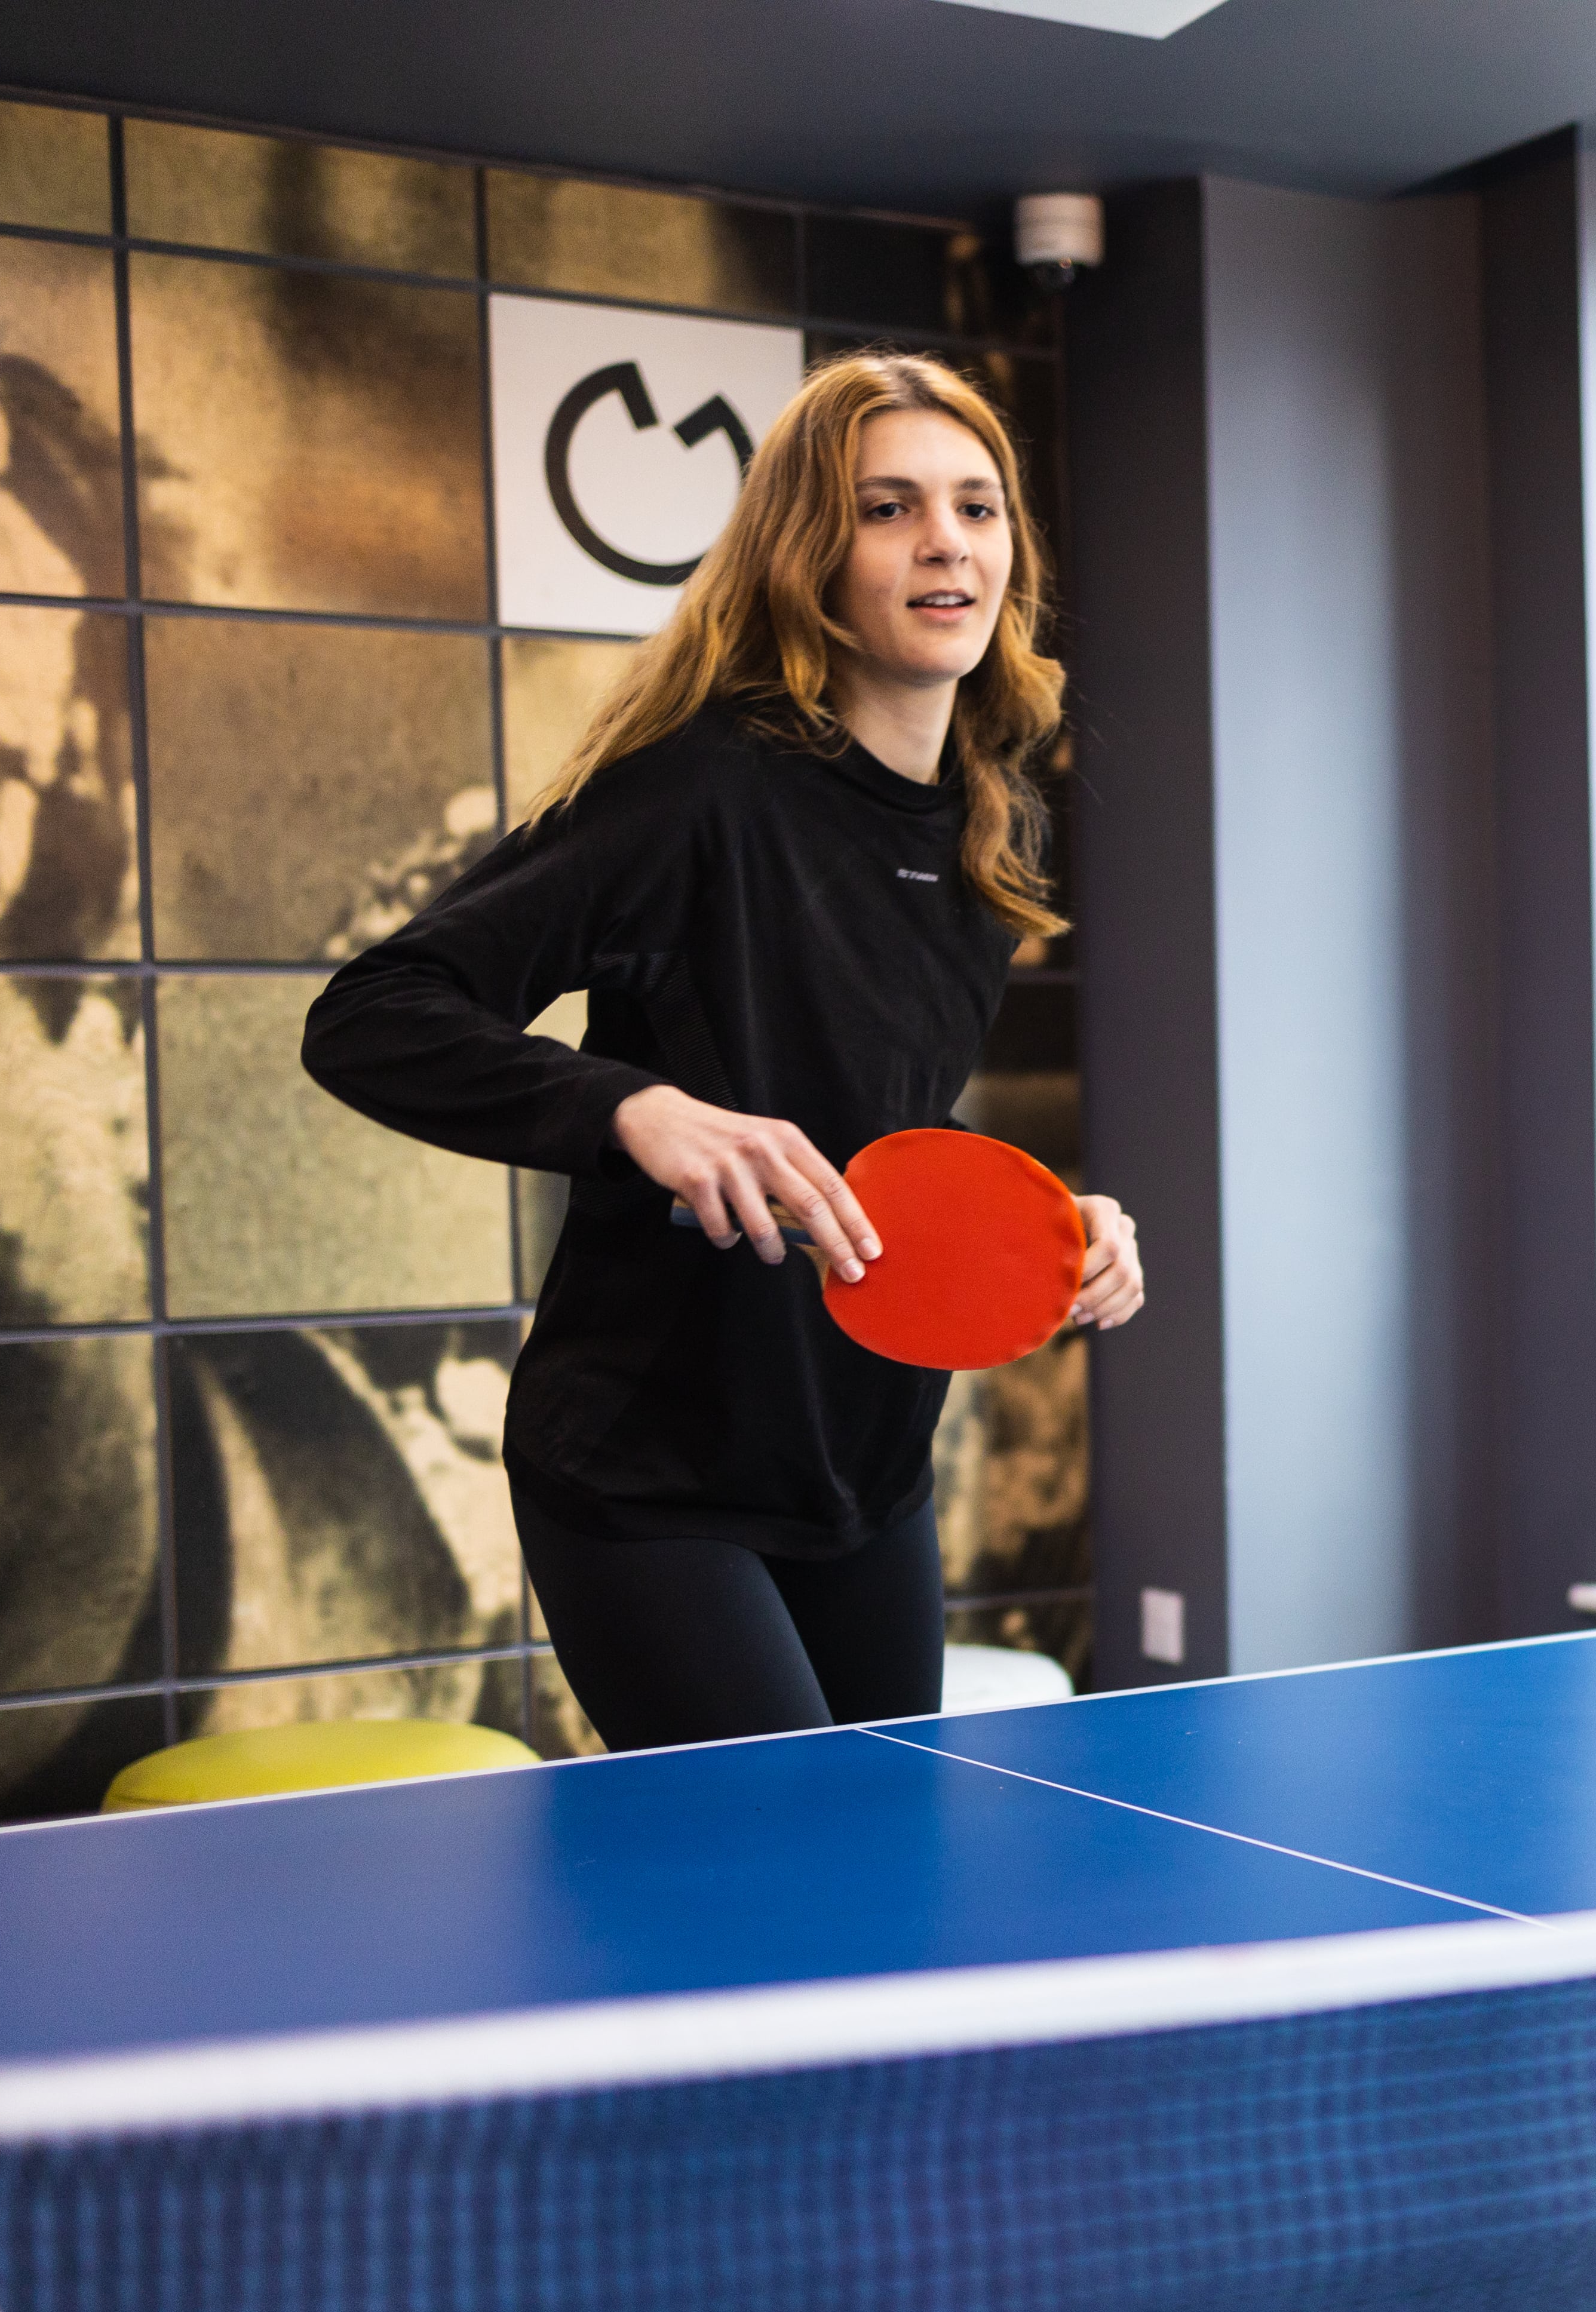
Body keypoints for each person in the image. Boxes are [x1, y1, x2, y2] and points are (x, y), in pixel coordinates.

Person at [303, 351, 1144, 1751]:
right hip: (650, 1475)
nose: (946, 540)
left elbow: (864, 1123)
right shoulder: (701, 789)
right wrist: (635, 1110)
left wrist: (1050, 1230)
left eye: (977, 505)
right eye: (888, 508)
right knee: (777, 1871)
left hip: (864, 1470)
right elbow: (375, 1011)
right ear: (809, 556)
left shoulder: (986, 825)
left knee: (875, 1867)